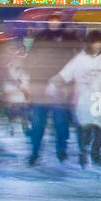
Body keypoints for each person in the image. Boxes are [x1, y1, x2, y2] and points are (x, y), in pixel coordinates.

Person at [52, 30, 101, 167]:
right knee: (85, 128)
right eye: (94, 43)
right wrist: (56, 82)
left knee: (99, 130)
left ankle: (96, 155)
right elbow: (66, 73)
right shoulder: (80, 59)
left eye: (99, 43)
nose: (97, 46)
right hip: (84, 99)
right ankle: (83, 152)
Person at [23, 13, 78, 164]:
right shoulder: (40, 38)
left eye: (56, 22)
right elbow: (30, 61)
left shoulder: (67, 39)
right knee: (39, 122)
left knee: (60, 121)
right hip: (41, 87)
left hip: (59, 86)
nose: (54, 24)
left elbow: (72, 62)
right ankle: (35, 151)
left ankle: (60, 151)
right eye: (51, 22)